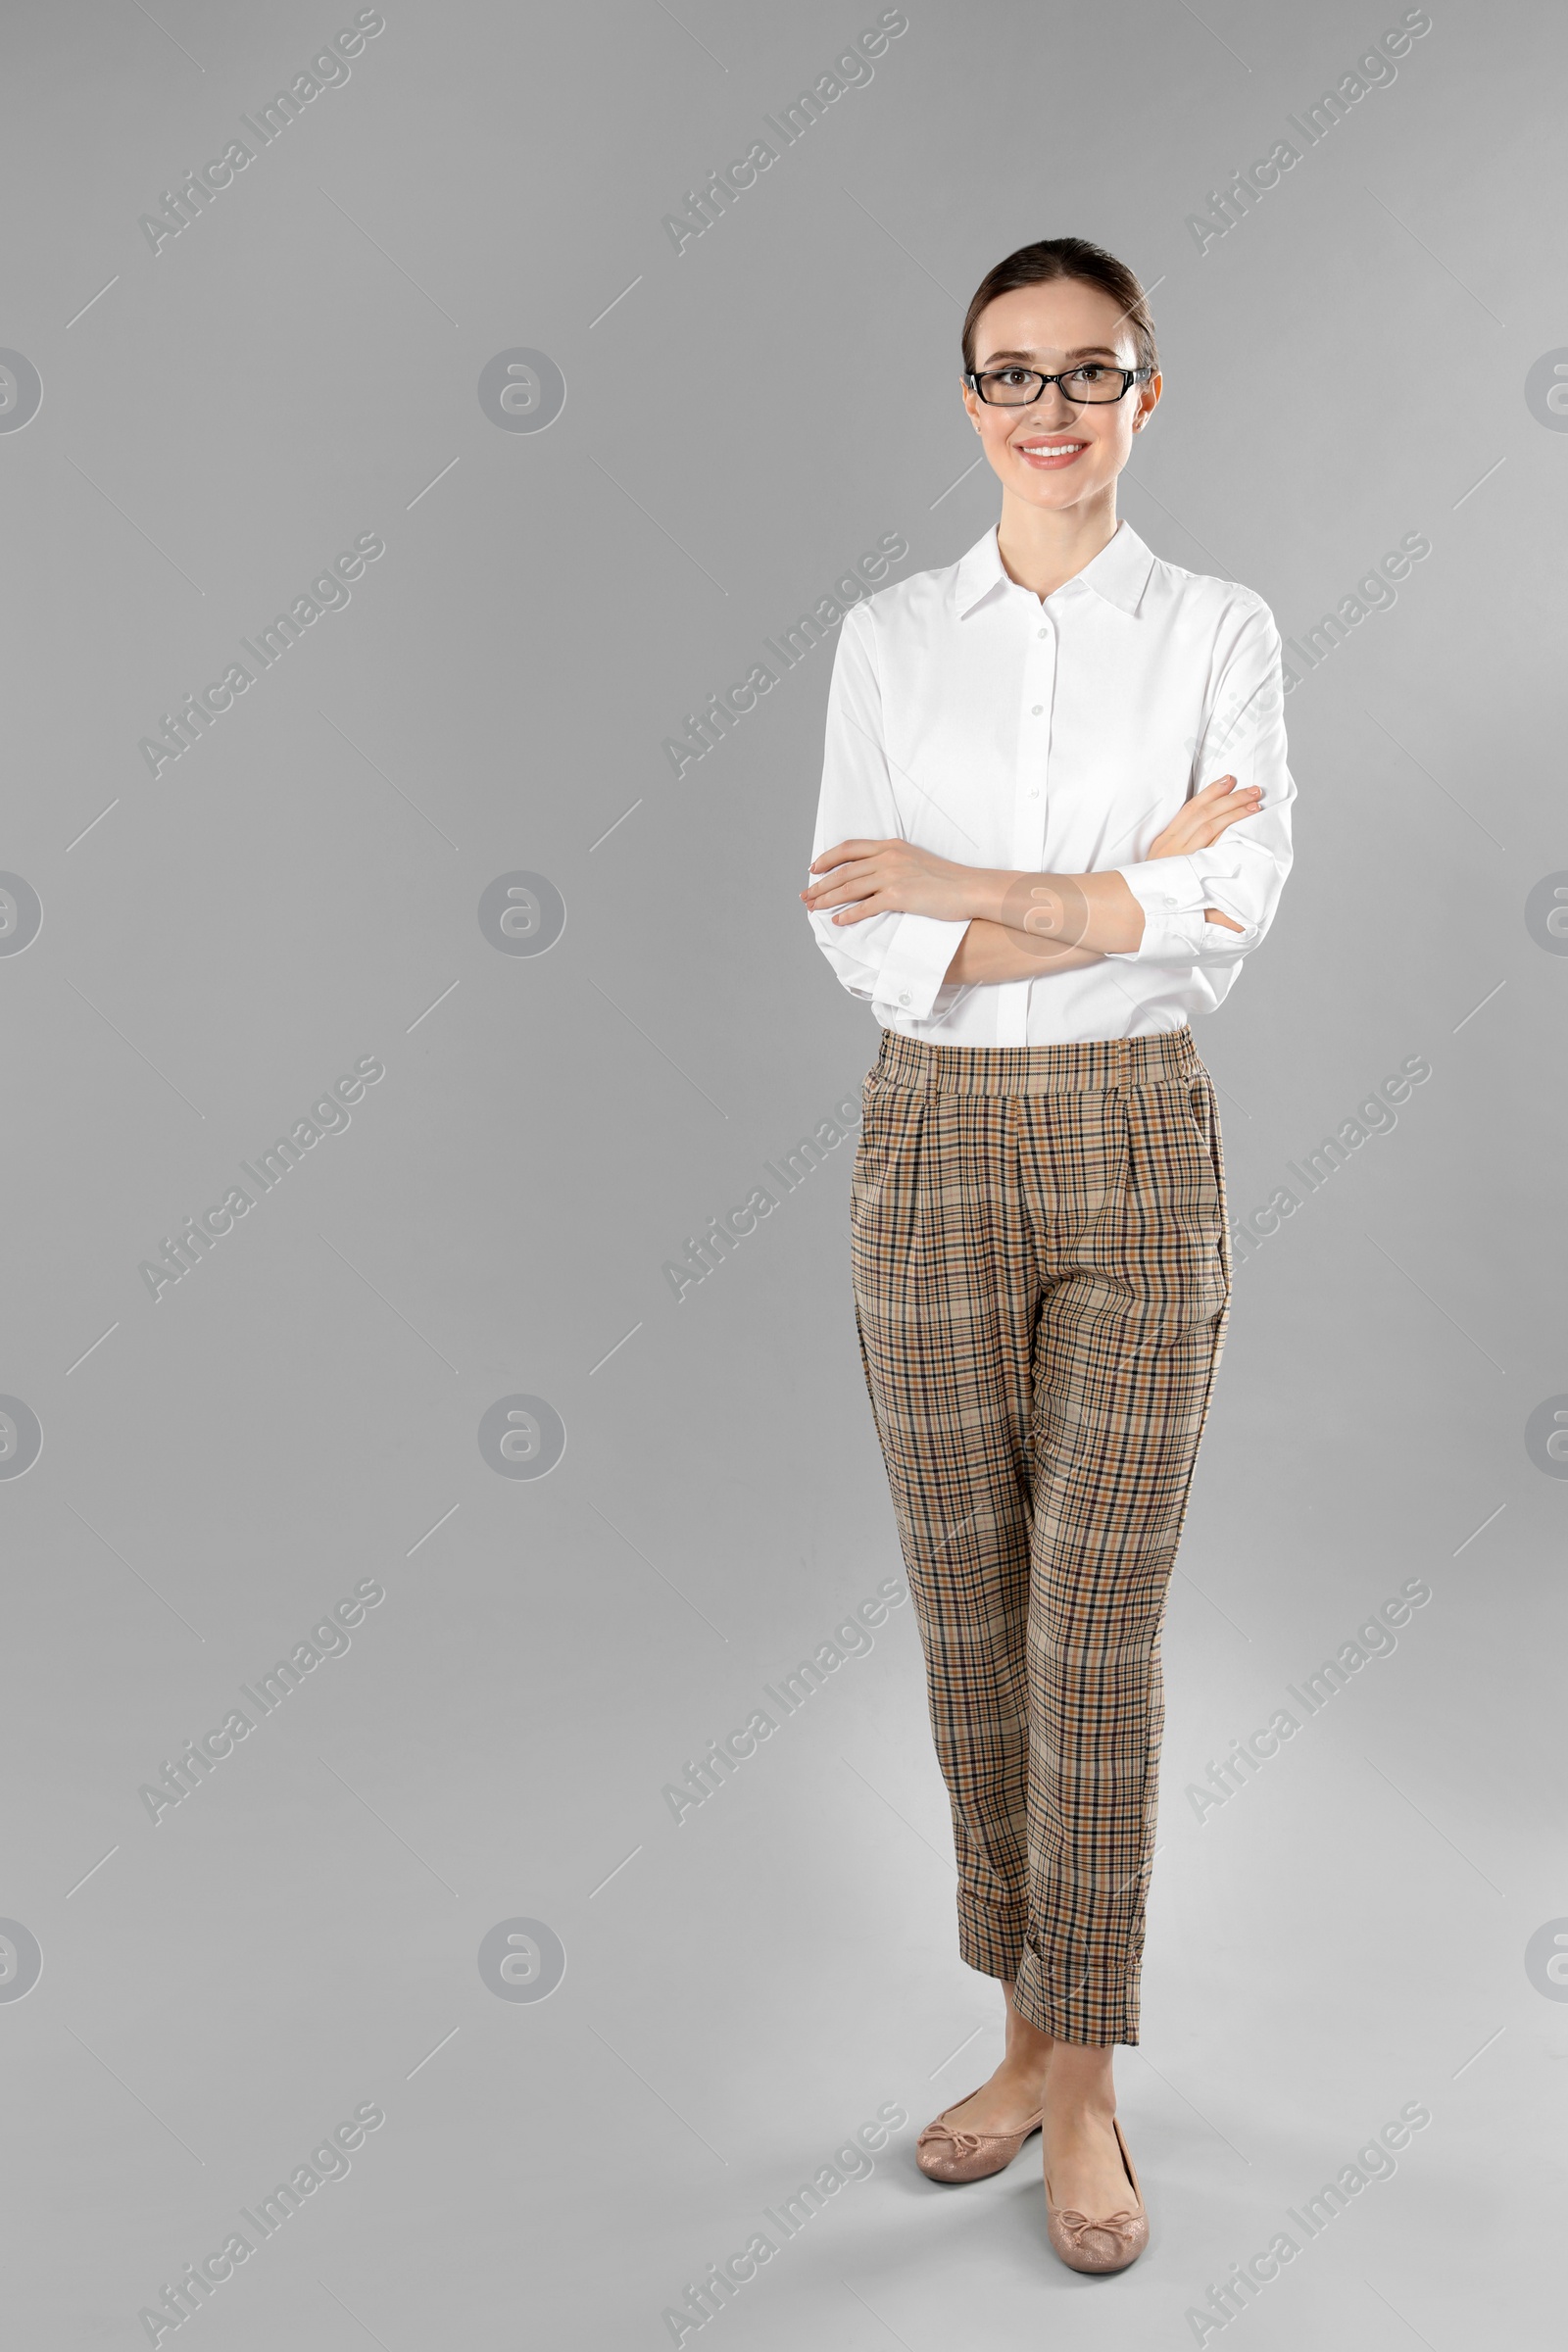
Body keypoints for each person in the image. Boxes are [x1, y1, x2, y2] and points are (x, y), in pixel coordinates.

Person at [801, 236, 1294, 2275]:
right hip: (924, 1139)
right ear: (970, 402)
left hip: (1129, 1140)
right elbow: (855, 934)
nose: (1049, 409)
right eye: (1012, 374)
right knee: (965, 1620)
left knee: (1091, 1634)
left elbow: (1229, 911)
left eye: (1089, 373)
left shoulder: (1218, 627)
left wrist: (966, 886)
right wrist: (1109, 890)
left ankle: (1082, 2089)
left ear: (1144, 396)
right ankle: (1011, 2038)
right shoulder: (886, 636)